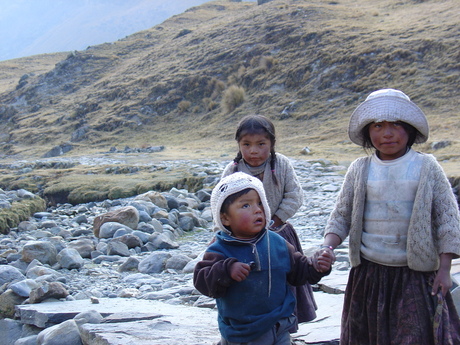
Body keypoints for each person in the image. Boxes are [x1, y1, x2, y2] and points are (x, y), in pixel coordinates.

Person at [318, 88, 460, 344]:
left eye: (396, 124)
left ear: (410, 129)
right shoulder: (359, 169)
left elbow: (448, 221)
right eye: (377, 125)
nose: (387, 133)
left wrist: (445, 269)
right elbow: (341, 214)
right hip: (369, 274)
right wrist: (328, 247)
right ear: (367, 132)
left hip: (415, 275)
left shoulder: (427, 167)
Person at [194, 172, 333, 345]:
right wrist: (227, 270)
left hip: (280, 326)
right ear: (225, 218)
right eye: (246, 205)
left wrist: (317, 266)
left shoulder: (277, 243)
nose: (257, 209)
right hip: (242, 332)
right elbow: (202, 281)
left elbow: (299, 271)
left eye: (260, 203)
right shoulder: (220, 248)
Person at [221, 114, 315, 330]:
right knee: (250, 285)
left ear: (272, 143)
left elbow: (294, 196)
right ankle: (250, 330)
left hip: (279, 236)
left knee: (284, 282)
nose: (254, 150)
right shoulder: (233, 170)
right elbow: (221, 205)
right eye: (247, 144)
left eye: (261, 144)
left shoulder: (281, 164)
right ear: (239, 144)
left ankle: (284, 330)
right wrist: (226, 238)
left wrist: (275, 220)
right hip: (243, 242)